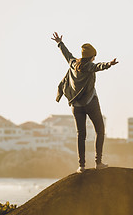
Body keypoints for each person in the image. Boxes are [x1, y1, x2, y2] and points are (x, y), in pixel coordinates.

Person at [51, 32, 118, 173]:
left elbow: (66, 53)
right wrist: (109, 64)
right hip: (90, 103)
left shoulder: (73, 63)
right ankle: (98, 162)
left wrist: (59, 43)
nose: (94, 58)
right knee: (100, 130)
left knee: (81, 135)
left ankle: (81, 166)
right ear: (91, 56)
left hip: (76, 106)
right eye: (94, 56)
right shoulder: (89, 66)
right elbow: (98, 66)